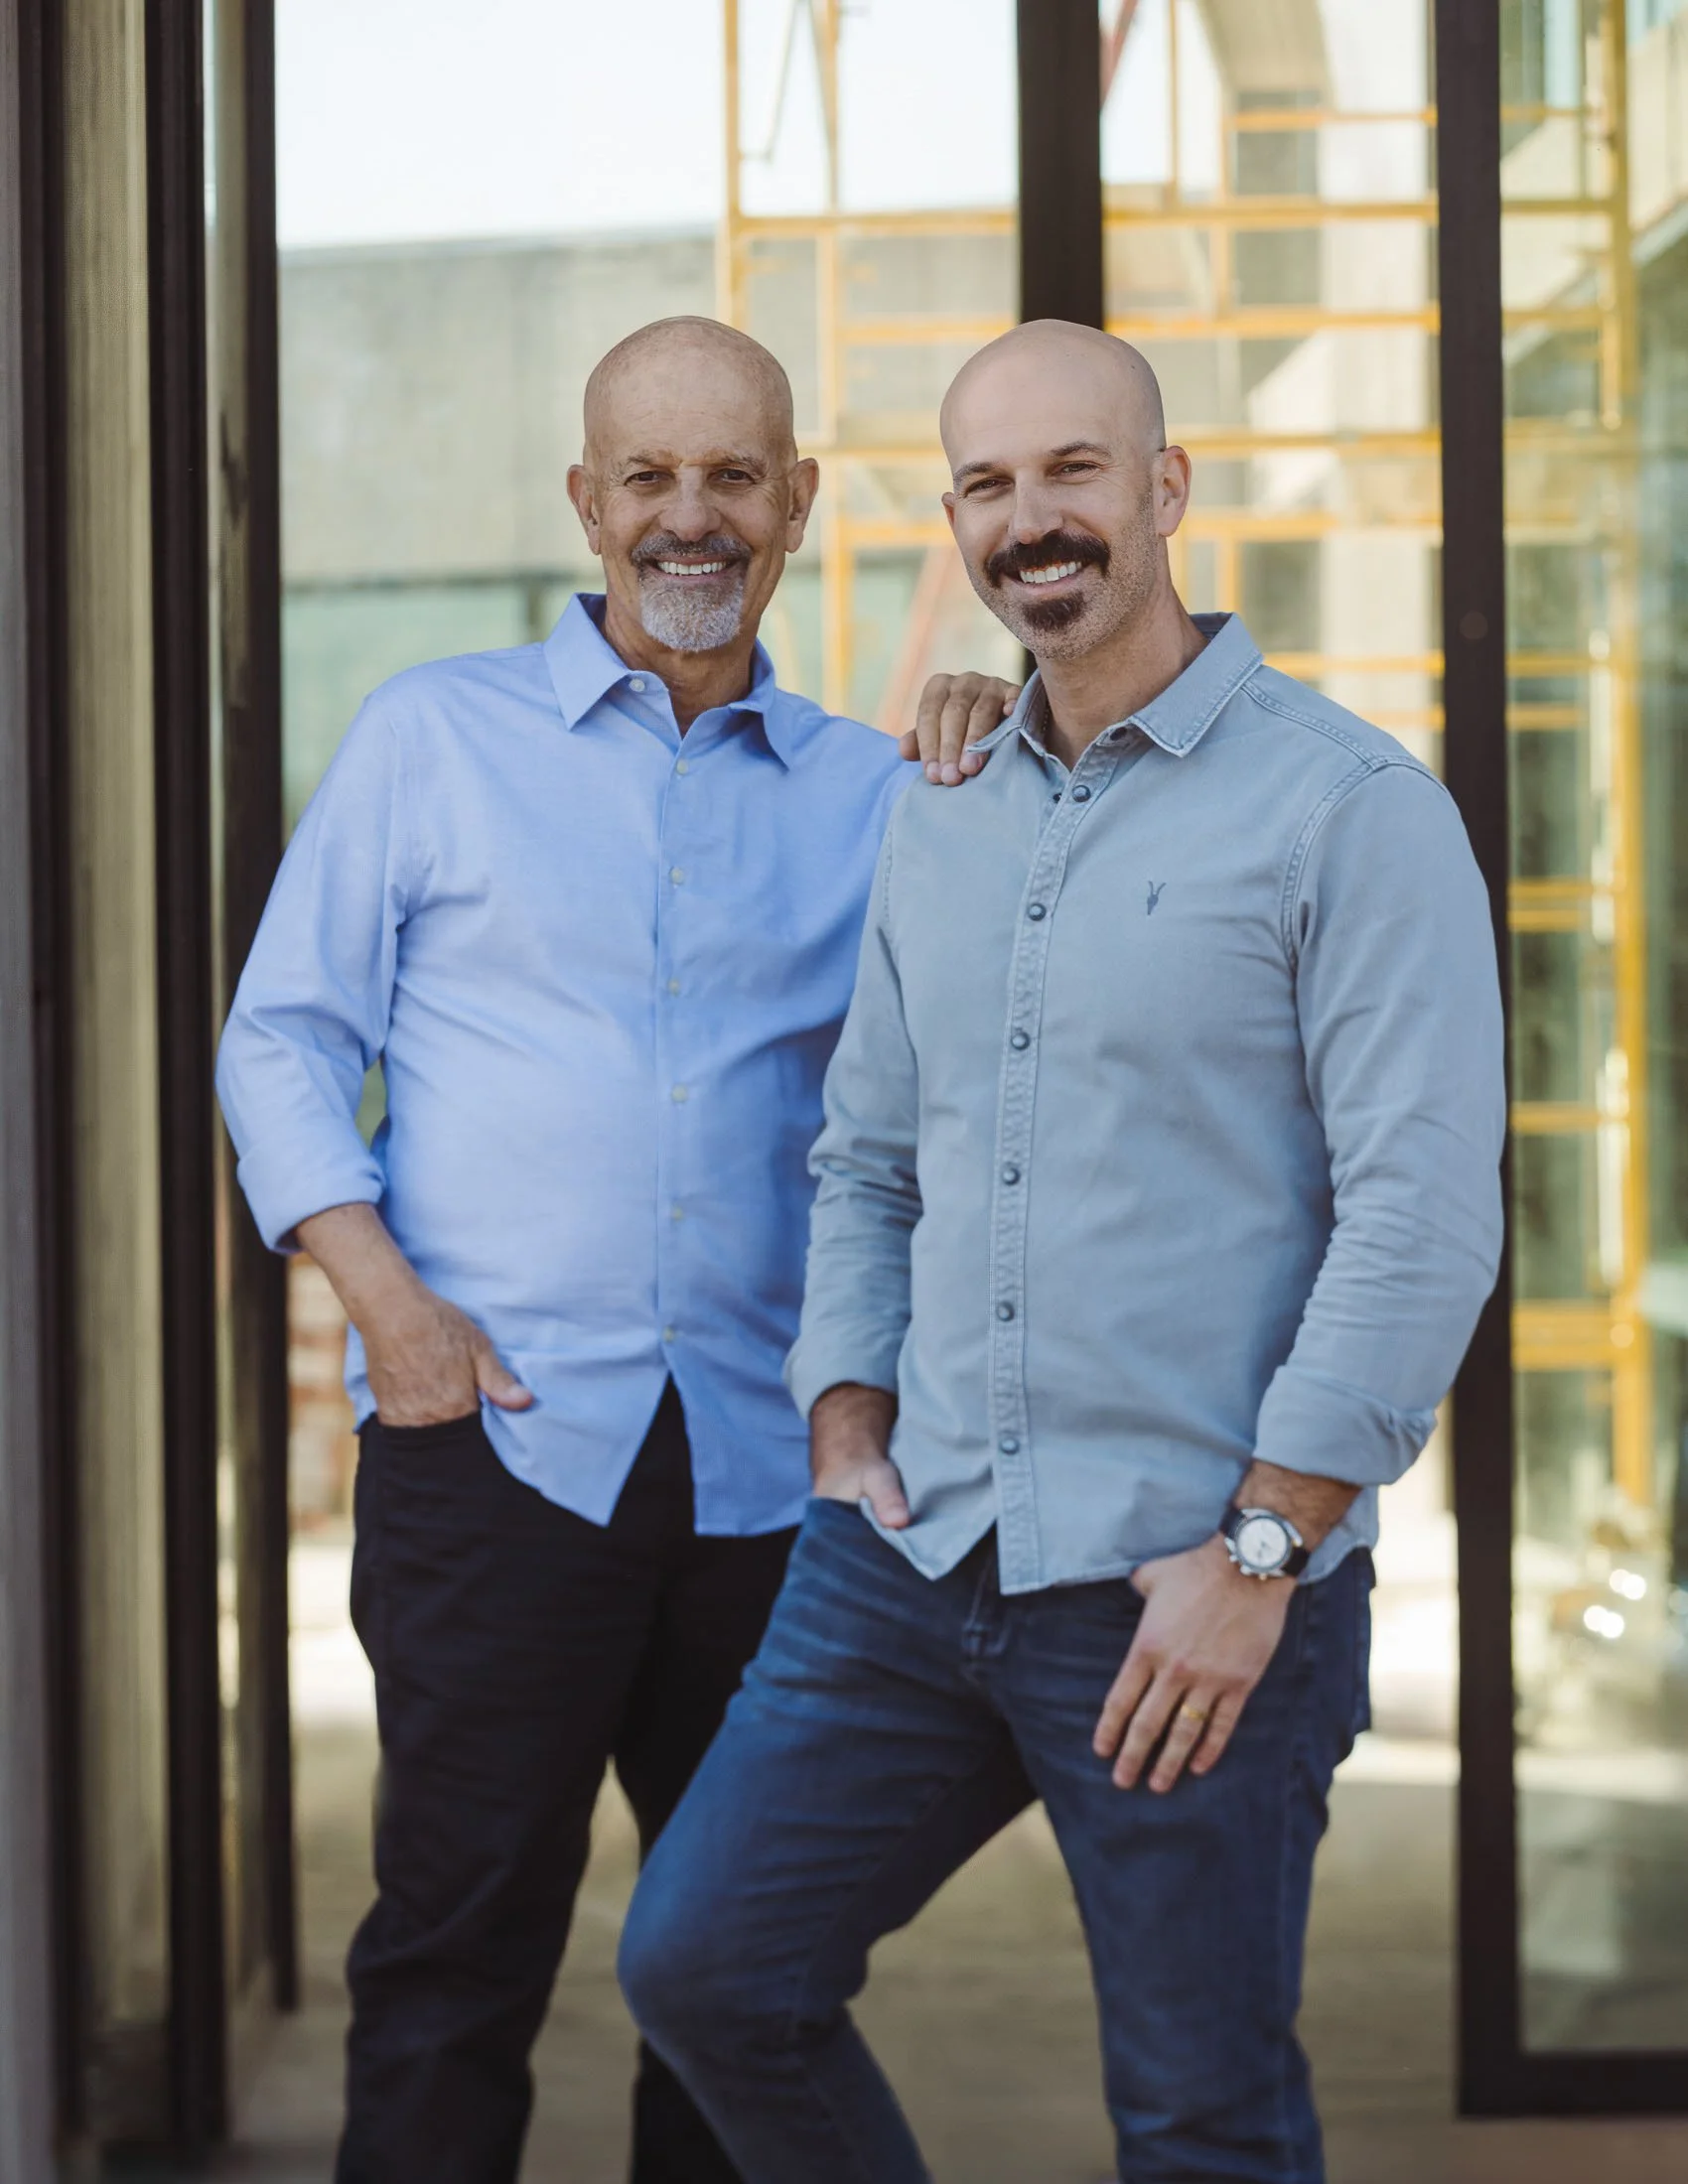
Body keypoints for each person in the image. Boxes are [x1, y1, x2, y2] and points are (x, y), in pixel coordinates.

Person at [619, 320, 1507, 2184]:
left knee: (1199, 2121)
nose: (1037, 519)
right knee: (706, 1969)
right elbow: (867, 1156)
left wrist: (1264, 1551)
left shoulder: (1351, 811)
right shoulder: (941, 815)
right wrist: (846, 1415)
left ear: (1165, 490)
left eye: (1076, 471)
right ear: (956, 523)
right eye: (991, 486)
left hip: (1185, 1591)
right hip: (911, 1558)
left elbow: (1424, 1218)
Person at [214, 315, 1013, 2184]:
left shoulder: (877, 791)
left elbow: (963, 1060)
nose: (691, 517)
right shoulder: (430, 738)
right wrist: (384, 1304)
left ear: (798, 503)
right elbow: (280, 1038)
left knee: (731, 1970)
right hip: (493, 1449)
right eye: (648, 477)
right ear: (587, 503)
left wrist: (1007, 724)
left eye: (734, 475)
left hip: (769, 1471)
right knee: (452, 1959)